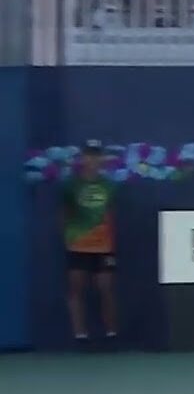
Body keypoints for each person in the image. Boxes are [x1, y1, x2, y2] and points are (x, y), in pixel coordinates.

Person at [62, 140, 120, 345]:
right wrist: (73, 236)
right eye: (88, 155)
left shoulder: (109, 185)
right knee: (76, 289)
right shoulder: (71, 185)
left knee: (106, 289)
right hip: (78, 245)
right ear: (82, 158)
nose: (92, 160)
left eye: (96, 155)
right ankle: (80, 336)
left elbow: (111, 214)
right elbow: (66, 214)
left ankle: (111, 335)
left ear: (102, 159)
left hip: (103, 246)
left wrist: (109, 242)